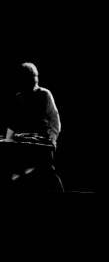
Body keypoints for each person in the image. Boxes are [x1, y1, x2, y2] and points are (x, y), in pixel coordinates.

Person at [1, 62, 63, 191]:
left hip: (42, 144)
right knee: (22, 176)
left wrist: (52, 140)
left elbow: (54, 120)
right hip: (25, 145)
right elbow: (13, 122)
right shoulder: (19, 97)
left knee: (47, 173)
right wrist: (8, 140)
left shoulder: (44, 94)